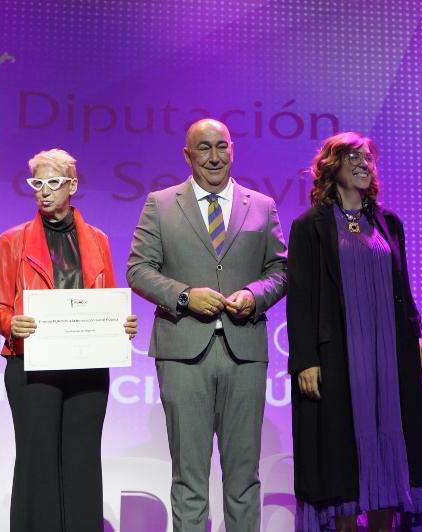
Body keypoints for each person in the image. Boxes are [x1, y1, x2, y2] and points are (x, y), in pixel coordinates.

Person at [127, 118, 287, 531]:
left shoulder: (262, 205)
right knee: (189, 477)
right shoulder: (161, 204)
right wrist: (184, 296)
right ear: (187, 155)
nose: (214, 157)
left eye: (221, 146)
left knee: (244, 476)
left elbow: (281, 270)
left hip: (243, 352)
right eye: (204, 148)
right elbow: (139, 270)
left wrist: (254, 295)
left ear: (233, 149)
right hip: (183, 352)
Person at [287, 132, 422, 532]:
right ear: (331, 166)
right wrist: (305, 359)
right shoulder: (310, 226)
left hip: (389, 352)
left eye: (368, 158)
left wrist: (419, 333)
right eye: (353, 157)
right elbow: (300, 298)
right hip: (340, 354)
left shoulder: (389, 223)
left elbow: (403, 286)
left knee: (391, 440)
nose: (364, 164)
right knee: (342, 452)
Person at [0, 148, 137, 531]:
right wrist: (10, 323)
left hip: (87, 366)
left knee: (82, 461)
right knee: (36, 461)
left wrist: (121, 325)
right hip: (32, 364)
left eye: (53, 182)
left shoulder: (98, 240)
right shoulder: (12, 240)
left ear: (71, 185)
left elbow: (109, 299)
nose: (44, 191)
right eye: (37, 183)